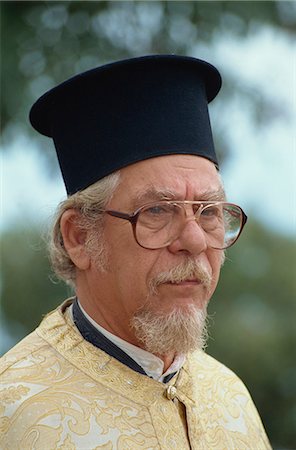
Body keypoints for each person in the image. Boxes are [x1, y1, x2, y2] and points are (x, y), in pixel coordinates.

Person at [0, 55, 271, 449]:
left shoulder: (231, 396)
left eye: (209, 212)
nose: (195, 241)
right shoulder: (12, 413)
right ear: (79, 237)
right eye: (158, 211)